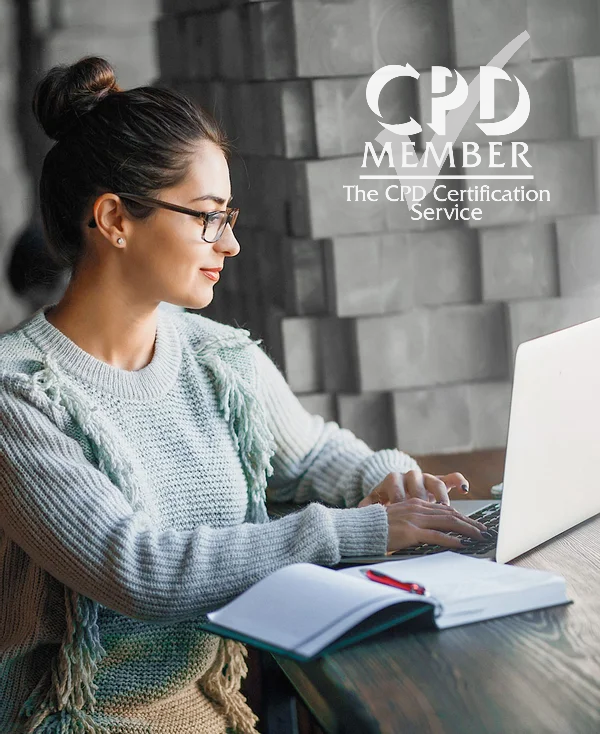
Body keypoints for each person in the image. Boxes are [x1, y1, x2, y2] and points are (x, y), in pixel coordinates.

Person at [0, 56, 490, 734]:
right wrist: (360, 530)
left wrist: (390, 480)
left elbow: (313, 452)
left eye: (228, 216)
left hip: (215, 713)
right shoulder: (18, 396)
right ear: (114, 218)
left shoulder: (216, 355)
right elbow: (138, 568)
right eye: (206, 217)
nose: (228, 244)